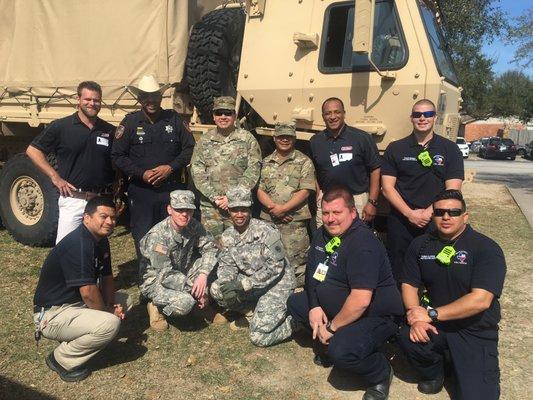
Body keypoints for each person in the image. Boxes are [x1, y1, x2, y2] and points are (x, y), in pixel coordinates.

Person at [287, 186, 403, 400]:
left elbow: (360, 301)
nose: (330, 219)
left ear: (352, 213)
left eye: (337, 213)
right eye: (326, 213)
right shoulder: (323, 234)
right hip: (341, 306)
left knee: (341, 351)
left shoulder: (363, 243)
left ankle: (380, 373)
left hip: (375, 315)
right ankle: (332, 338)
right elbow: (312, 274)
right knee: (296, 303)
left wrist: (331, 328)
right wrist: (314, 306)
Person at [398, 190, 506, 399]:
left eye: (453, 212)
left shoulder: (486, 248)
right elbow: (409, 284)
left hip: (473, 330)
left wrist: (430, 314)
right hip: (436, 326)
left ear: (465, 216)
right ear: (433, 215)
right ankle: (436, 371)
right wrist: (415, 316)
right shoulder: (421, 244)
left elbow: (481, 301)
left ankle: (465, 366)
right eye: (439, 212)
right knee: (406, 336)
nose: (446, 217)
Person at [32, 197, 124, 382]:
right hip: (52, 314)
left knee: (123, 300)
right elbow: (88, 292)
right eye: (103, 216)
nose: (109, 222)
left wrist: (111, 304)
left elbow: (106, 277)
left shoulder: (100, 239)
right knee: (110, 323)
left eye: (113, 218)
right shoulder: (79, 244)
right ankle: (60, 359)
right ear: (86, 218)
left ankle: (82, 337)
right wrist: (108, 313)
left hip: (74, 305)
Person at [111, 75, 195, 255]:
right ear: (140, 99)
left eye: (155, 96)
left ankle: (171, 276)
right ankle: (147, 277)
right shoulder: (131, 122)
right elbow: (117, 155)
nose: (151, 101)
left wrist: (170, 167)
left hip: (170, 191)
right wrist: (141, 173)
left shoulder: (174, 120)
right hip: (142, 193)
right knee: (143, 236)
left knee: (172, 235)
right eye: (146, 97)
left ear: (160, 97)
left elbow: (189, 148)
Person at [381, 99, 464, 281]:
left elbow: (453, 189)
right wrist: (409, 213)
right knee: (399, 268)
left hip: (436, 219)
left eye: (427, 114)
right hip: (401, 220)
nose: (422, 118)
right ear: (411, 118)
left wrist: (429, 212)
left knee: (434, 267)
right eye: (417, 114)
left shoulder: (450, 149)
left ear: (435, 118)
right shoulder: (396, 148)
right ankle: (401, 308)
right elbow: (387, 188)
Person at [26, 81, 116, 243]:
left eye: (96, 100)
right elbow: (33, 151)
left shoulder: (108, 130)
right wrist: (55, 177)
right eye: (87, 99)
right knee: (66, 249)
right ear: (78, 99)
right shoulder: (61, 127)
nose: (92, 104)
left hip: (99, 201)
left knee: (96, 250)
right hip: (73, 199)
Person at [210, 186, 296, 347]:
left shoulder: (266, 231)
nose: (239, 214)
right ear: (229, 211)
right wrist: (227, 283)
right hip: (253, 283)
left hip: (277, 285)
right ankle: (251, 312)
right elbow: (227, 264)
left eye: (244, 209)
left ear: (250, 209)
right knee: (217, 288)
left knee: (258, 337)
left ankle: (296, 322)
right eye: (235, 210)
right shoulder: (227, 235)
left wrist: (242, 284)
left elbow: (275, 268)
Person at [139, 190, 218, 331]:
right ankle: (157, 306)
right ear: (169, 209)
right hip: (156, 281)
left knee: (215, 264)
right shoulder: (157, 236)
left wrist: (203, 275)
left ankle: (198, 303)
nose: (184, 214)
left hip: (181, 271)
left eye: (188, 210)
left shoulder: (193, 224)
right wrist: (195, 290)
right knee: (185, 303)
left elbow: (210, 248)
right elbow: (165, 274)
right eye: (179, 210)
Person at [190, 96, 261, 239]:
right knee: (211, 246)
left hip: (238, 207)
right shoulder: (204, 141)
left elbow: (254, 169)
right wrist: (215, 197)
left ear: (234, 116)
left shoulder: (247, 139)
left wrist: (233, 197)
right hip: (211, 207)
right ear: (213, 116)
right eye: (219, 113)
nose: (223, 117)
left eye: (228, 113)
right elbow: (197, 170)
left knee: (240, 246)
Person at [257, 122, 315, 286]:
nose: (284, 140)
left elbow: (306, 190)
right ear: (274, 138)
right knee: (268, 259)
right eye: (281, 136)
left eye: (288, 137)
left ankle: (296, 299)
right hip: (270, 222)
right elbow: (260, 190)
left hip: (294, 222)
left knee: (296, 264)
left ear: (294, 139)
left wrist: (283, 209)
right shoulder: (266, 162)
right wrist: (273, 209)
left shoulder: (304, 162)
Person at [310, 97, 381, 226]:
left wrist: (372, 202)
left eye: (337, 112)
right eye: (328, 113)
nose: (332, 117)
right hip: (328, 200)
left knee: (356, 241)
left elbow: (375, 169)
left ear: (344, 113)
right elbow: (314, 171)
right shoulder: (315, 141)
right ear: (323, 116)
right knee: (328, 241)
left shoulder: (362, 138)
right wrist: (318, 196)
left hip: (356, 200)